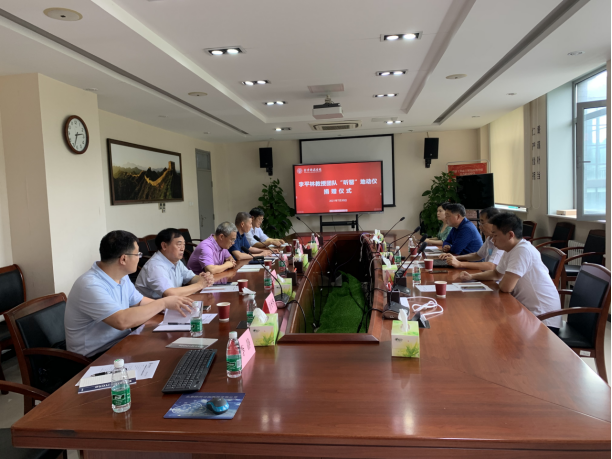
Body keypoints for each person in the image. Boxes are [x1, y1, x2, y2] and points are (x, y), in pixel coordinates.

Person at [65, 231, 193, 358]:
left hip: (122, 343)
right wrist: (163, 303)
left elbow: (139, 301)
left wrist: (173, 306)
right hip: (95, 356)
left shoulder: (122, 276)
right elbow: (121, 321)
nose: (139, 257)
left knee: (171, 346)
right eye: (137, 254)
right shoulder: (90, 285)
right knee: (166, 356)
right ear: (124, 259)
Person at [458, 213, 562, 332]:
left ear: (510, 235)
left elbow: (506, 287)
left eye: (495, 235)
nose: (492, 240)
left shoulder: (522, 250)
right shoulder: (510, 249)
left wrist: (503, 279)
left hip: (543, 319)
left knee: (488, 327)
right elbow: (496, 274)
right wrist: (471, 276)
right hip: (525, 310)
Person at [135, 228, 214, 298]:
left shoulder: (176, 261)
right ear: (164, 246)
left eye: (184, 245)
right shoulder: (155, 266)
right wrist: (199, 285)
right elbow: (170, 294)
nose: (182, 248)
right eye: (179, 244)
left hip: (170, 304)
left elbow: (190, 278)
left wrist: (204, 279)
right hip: (153, 308)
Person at [440, 207, 504, 270]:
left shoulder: (502, 240)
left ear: (494, 223)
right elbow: (477, 255)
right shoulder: (490, 238)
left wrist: (460, 264)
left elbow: (491, 266)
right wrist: (456, 257)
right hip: (486, 273)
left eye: (482, 223)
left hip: (488, 273)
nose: (480, 227)